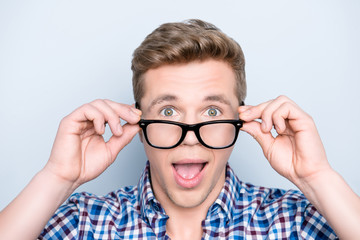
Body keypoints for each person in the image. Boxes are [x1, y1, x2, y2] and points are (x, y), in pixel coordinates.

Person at [0, 19, 359, 240]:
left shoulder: (296, 221)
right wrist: (57, 176)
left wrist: (317, 176)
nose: (189, 134)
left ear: (243, 120)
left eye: (212, 110)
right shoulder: (84, 223)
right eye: (168, 111)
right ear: (138, 123)